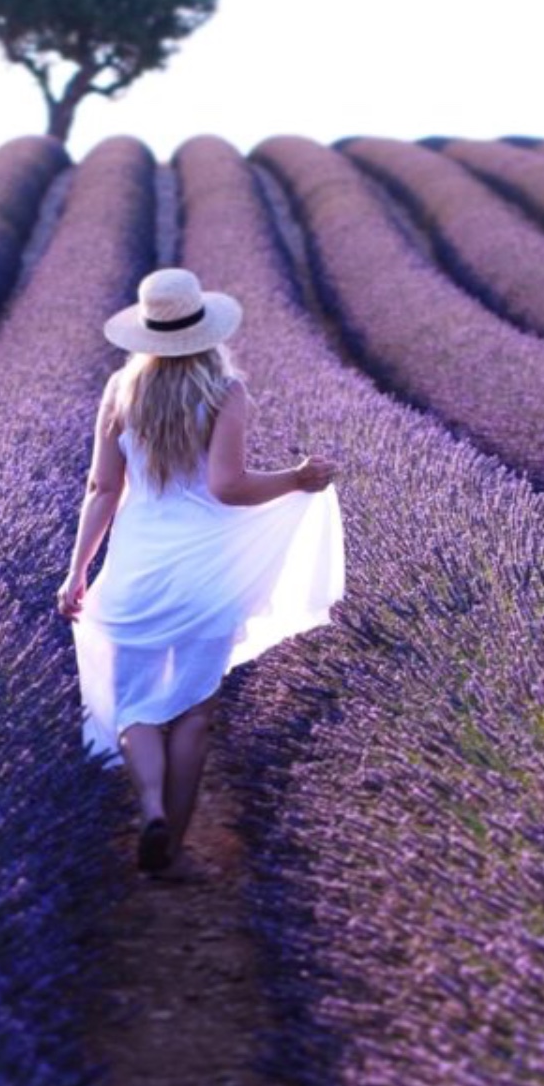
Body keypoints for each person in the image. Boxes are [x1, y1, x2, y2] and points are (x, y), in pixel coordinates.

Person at [57, 267, 345, 876]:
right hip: (209, 577)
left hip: (136, 573)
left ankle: (153, 809)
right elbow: (229, 486)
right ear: (206, 328)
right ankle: (175, 853)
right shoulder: (225, 390)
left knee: (134, 705)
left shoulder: (121, 391)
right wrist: (296, 479)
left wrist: (77, 570)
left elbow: (102, 489)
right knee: (193, 712)